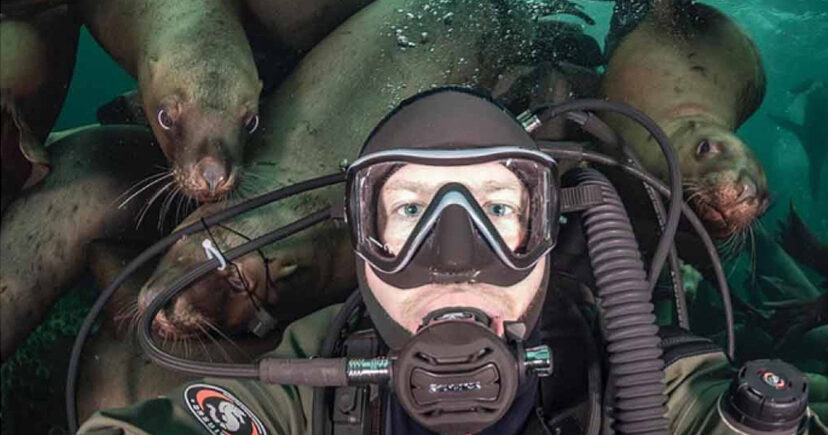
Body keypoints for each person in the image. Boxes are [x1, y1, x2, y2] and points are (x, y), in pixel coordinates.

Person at [77, 88, 825, 435]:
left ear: (547, 229)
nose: (457, 260)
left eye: (498, 211)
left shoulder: (638, 376)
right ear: (361, 242)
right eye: (410, 212)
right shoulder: (310, 377)